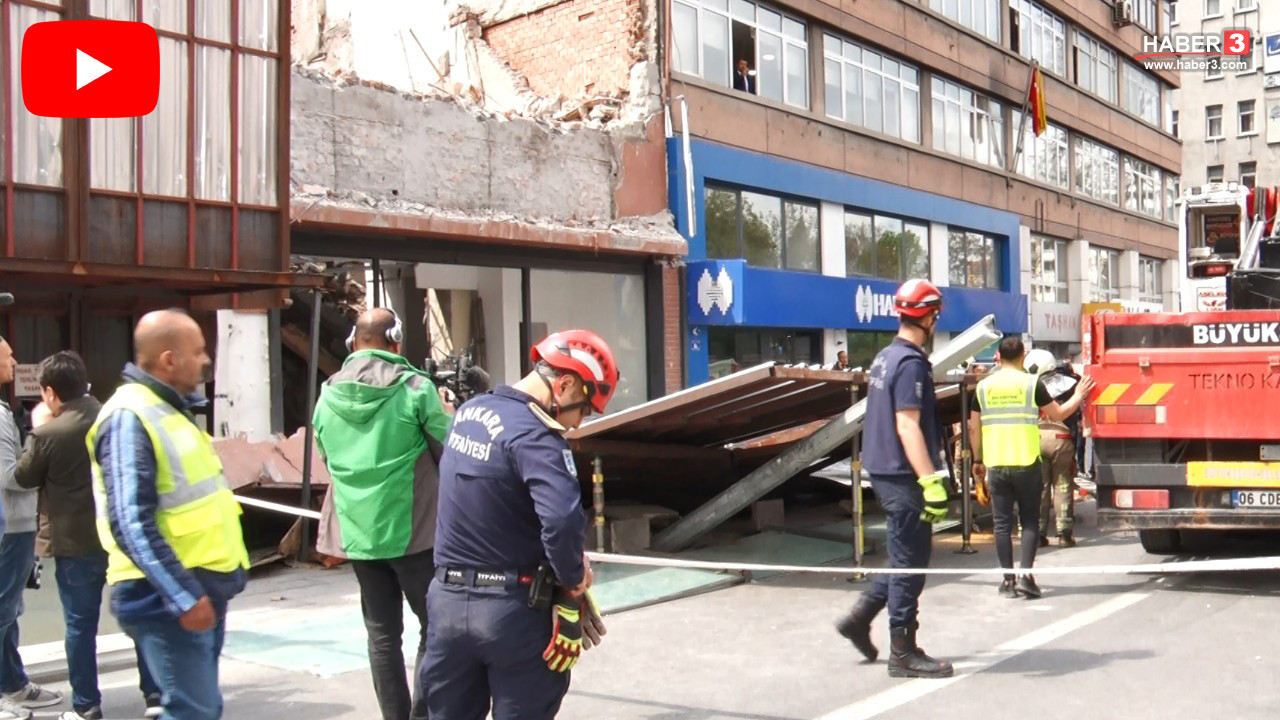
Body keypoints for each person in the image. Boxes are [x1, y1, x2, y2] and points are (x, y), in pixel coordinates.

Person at [422, 330, 614, 719]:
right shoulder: (538, 437)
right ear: (565, 384)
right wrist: (572, 591)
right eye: (585, 408)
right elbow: (560, 522)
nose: (578, 424)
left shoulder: (468, 413)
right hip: (512, 614)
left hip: (445, 605)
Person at [89, 309, 250, 720]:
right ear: (168, 359)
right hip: (165, 595)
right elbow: (129, 520)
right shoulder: (130, 416)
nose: (205, 361)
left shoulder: (168, 410)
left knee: (196, 708)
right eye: (196, 352)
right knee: (194, 711)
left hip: (193, 588)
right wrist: (182, 595)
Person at [313, 308, 453, 720]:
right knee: (436, 629)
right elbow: (448, 450)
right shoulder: (415, 387)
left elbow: (326, 454)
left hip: (359, 535)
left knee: (382, 636)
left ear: (352, 343)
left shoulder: (327, 395)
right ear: (396, 340)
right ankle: (421, 715)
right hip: (414, 532)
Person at [16, 352, 162, 720]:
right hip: (124, 539)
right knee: (140, 617)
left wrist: (38, 423)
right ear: (86, 384)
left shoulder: (48, 434)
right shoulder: (117, 418)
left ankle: (86, 705)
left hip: (75, 542)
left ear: (50, 393)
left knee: (80, 626)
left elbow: (22, 477)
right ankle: (155, 695)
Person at [835, 279, 952, 679]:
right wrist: (930, 480)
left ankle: (860, 616)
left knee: (906, 555)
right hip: (904, 473)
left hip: (884, 467)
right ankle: (902, 652)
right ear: (930, 317)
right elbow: (907, 425)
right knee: (911, 564)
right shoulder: (911, 363)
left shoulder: (885, 357)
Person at [969, 338, 1093, 599]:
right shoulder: (1031, 384)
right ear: (1023, 356)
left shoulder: (983, 387)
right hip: (1026, 463)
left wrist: (978, 461)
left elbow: (973, 427)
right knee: (1029, 522)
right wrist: (1079, 395)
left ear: (998, 355)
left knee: (1002, 525)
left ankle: (1007, 581)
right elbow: (1058, 414)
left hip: (997, 464)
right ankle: (1026, 576)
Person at [0, 336, 63, 720]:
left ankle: (12, 682)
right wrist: (40, 448)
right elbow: (9, 475)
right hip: (12, 523)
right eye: (7, 354)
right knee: (4, 609)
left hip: (15, 523)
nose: (14, 359)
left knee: (9, 609)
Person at [1027, 353, 1085, 548]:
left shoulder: (1027, 386)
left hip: (1036, 437)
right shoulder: (1069, 385)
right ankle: (1064, 535)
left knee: (1040, 488)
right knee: (1062, 486)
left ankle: (1039, 534)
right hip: (1062, 438)